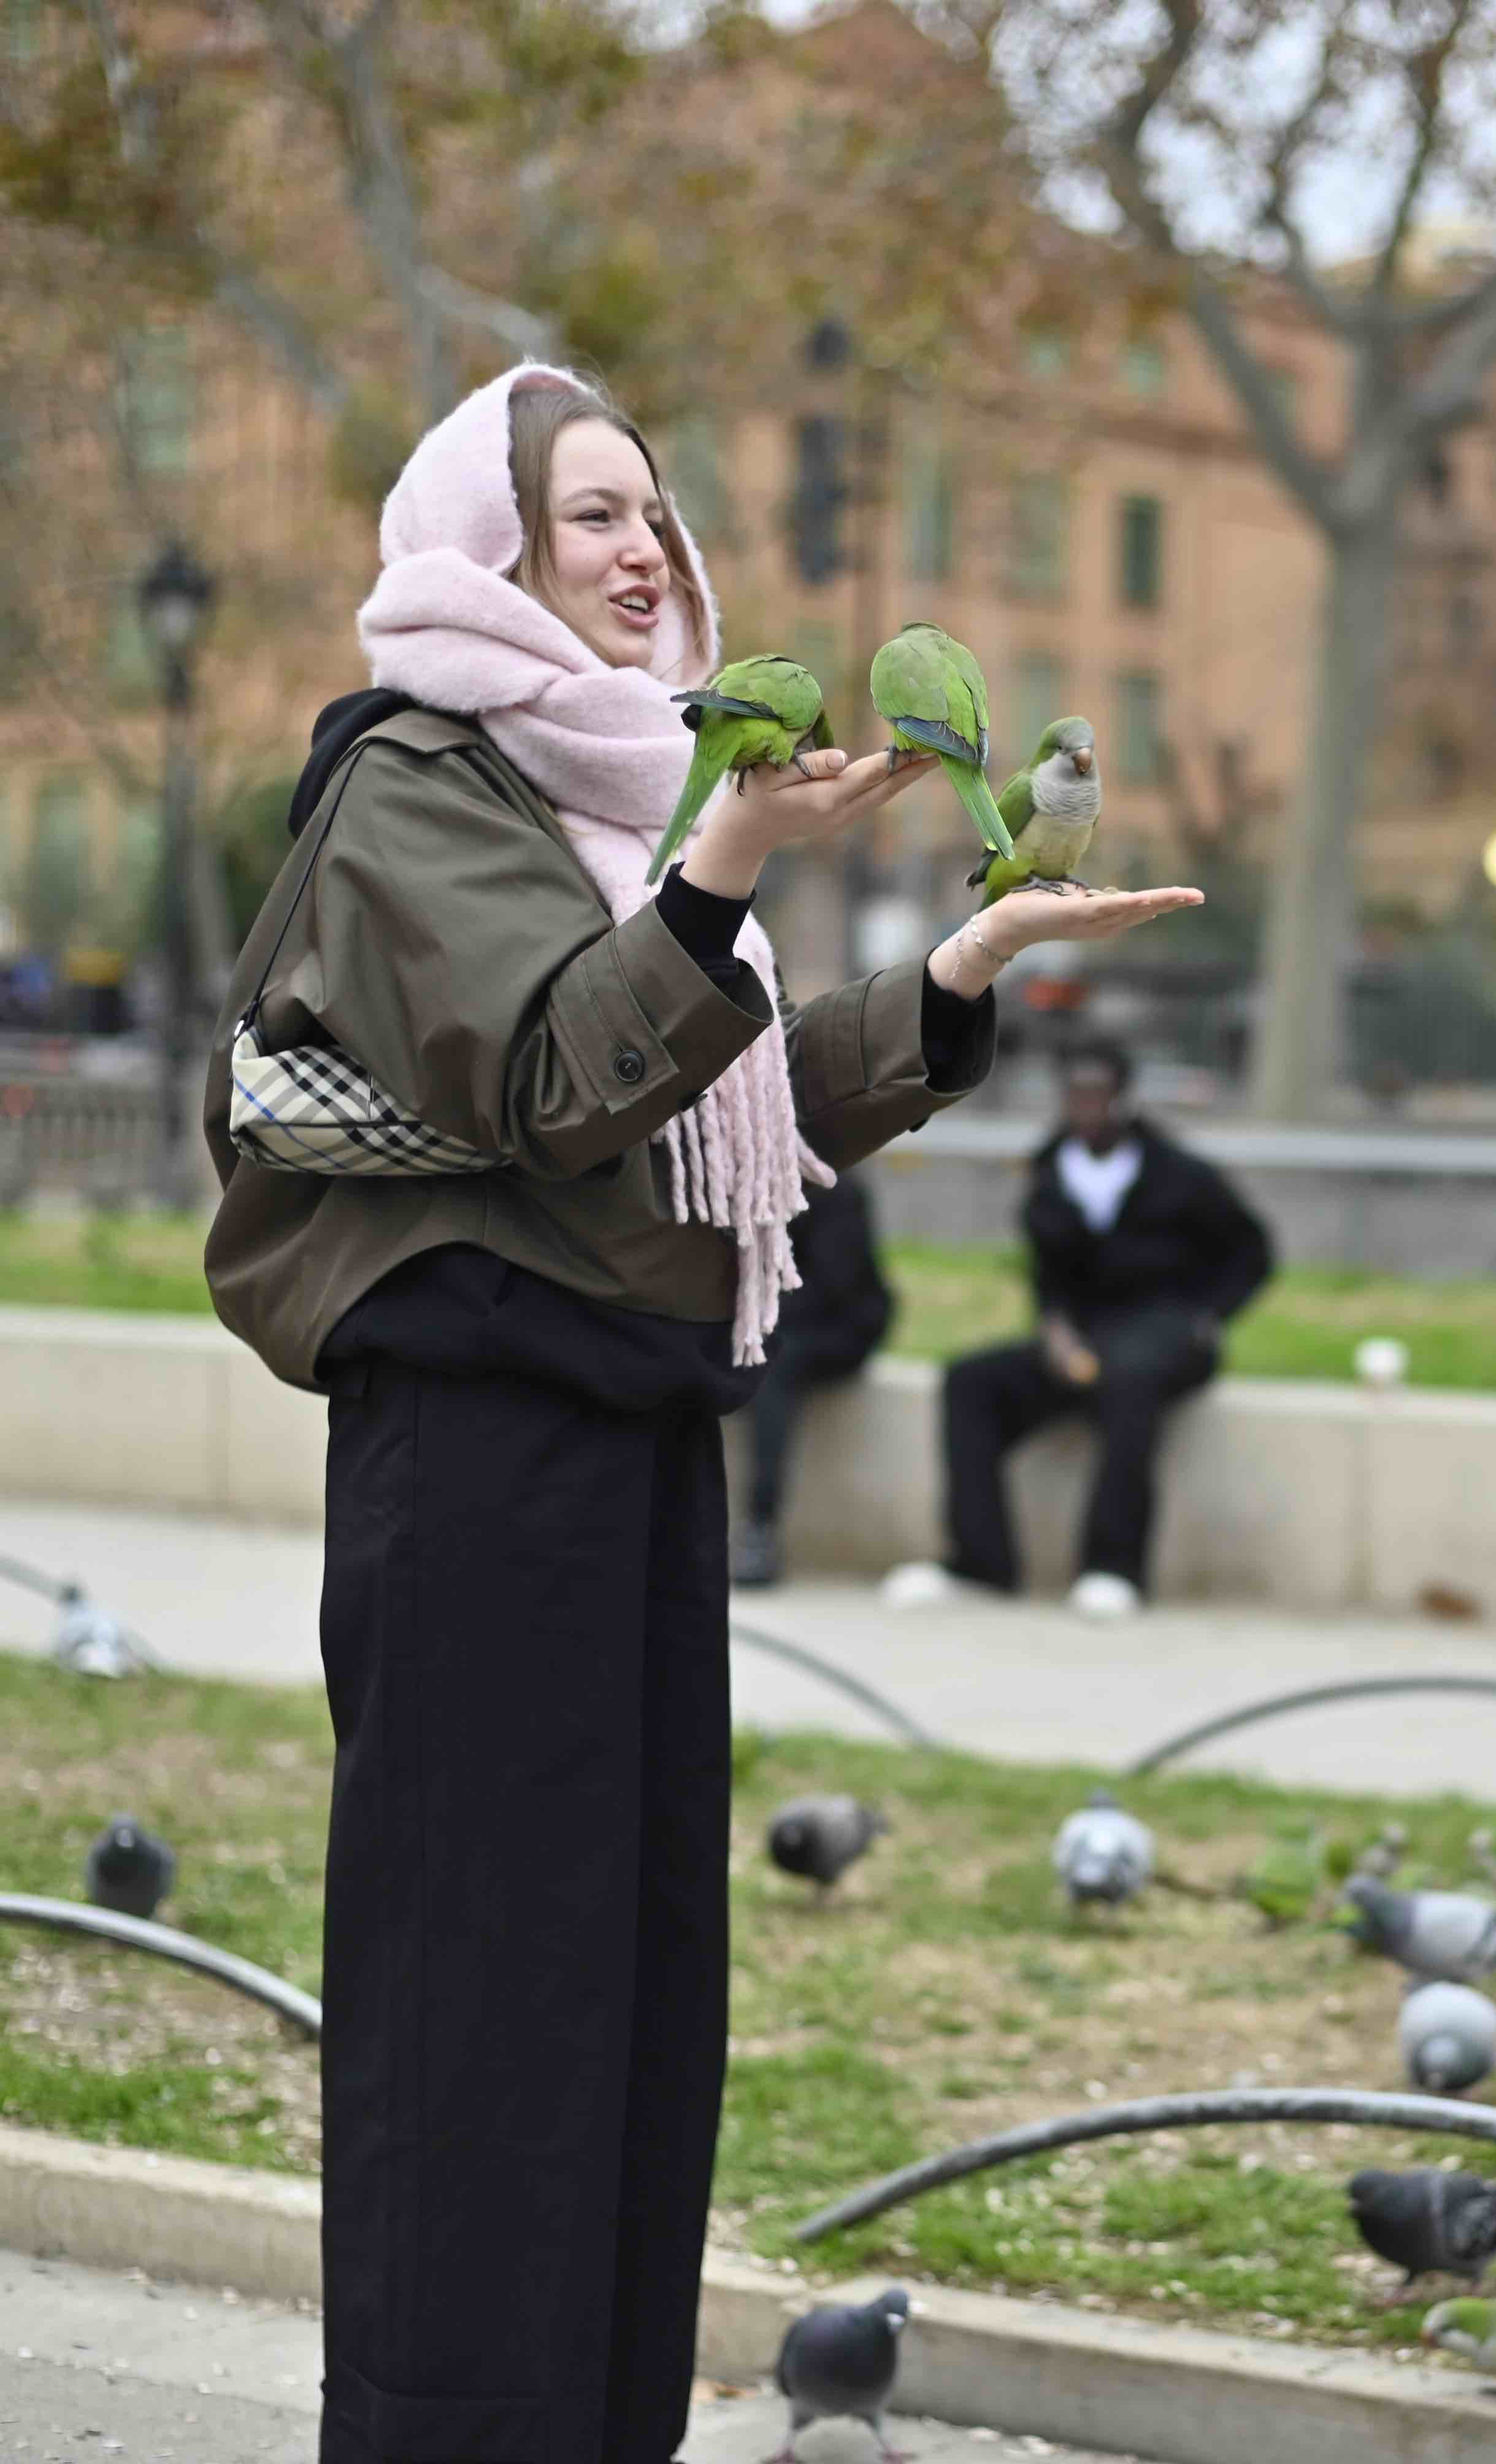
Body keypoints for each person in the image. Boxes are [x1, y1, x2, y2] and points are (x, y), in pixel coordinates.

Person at [201, 362, 1199, 2464]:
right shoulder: (420, 783)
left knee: (630, 1997)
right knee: (483, 2007)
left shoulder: (615, 792)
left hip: (635, 1430)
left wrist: (954, 971)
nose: (643, 545)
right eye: (587, 516)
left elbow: (711, 1114)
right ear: (484, 552)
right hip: (477, 1454)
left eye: (653, 506)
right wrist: (727, 856)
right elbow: (567, 1077)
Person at [883, 1041, 1272, 1619]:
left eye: (1098, 1093)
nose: (1086, 1105)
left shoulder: (1179, 1174)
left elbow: (1252, 1253)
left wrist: (1205, 1318)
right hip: (1082, 1338)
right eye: (1075, 1092)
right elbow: (1049, 1279)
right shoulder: (1049, 1174)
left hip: (1167, 1336)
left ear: (1123, 1099)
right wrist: (1056, 1333)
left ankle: (1113, 1571)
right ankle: (980, 1563)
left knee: (1130, 1379)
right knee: (970, 1383)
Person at [728, 1171, 896, 1587]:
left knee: (773, 1366)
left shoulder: (830, 1183)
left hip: (842, 1327)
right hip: (773, 1323)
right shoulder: (742, 1176)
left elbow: (837, 1289)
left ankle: (760, 1530)